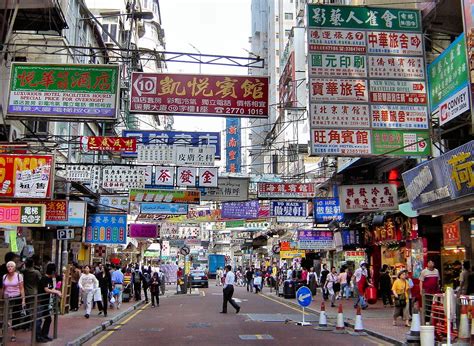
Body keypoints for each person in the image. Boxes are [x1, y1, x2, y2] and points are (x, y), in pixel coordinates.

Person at [36, 263, 62, 343]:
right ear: (53, 271)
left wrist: (56, 290)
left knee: (48, 319)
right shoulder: (44, 279)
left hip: (46, 302)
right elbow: (46, 289)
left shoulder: (50, 279)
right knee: (38, 320)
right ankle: (38, 336)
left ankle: (44, 335)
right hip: (40, 302)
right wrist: (56, 292)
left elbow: (51, 288)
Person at [1, 261, 25, 342]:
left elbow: (21, 288)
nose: (10, 268)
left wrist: (23, 300)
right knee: (5, 315)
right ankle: (4, 329)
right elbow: (3, 288)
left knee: (15, 316)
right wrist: (1, 298)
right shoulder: (4, 276)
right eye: (8, 267)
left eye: (11, 266)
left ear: (14, 268)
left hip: (16, 297)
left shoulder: (19, 276)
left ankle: (13, 334)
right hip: (7, 298)